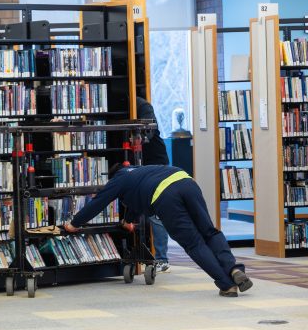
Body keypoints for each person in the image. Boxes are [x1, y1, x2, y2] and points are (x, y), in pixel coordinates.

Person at [63, 163, 252, 297]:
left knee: (194, 243)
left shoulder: (118, 179)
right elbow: (137, 202)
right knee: (210, 231)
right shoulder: (141, 171)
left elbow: (99, 202)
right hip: (186, 180)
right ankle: (234, 269)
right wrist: (128, 220)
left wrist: (75, 223)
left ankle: (227, 285)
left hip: (165, 196)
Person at [136, 96, 171, 271]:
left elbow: (149, 129)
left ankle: (162, 258)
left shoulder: (142, 105)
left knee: (155, 211)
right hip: (139, 164)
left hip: (155, 163)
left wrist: (139, 137)